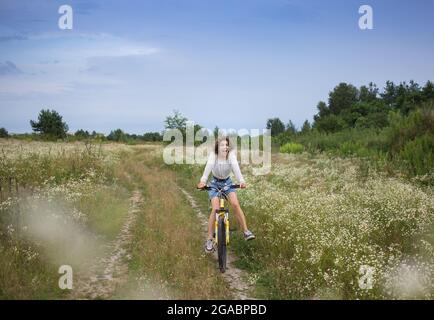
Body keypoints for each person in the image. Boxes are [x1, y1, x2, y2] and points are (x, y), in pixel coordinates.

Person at [197, 136, 256, 253]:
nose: (225, 147)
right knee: (215, 209)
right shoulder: (213, 156)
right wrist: (203, 181)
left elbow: (236, 169)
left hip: (227, 183)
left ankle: (245, 231)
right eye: (222, 145)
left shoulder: (231, 156)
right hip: (214, 184)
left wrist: (242, 181)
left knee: (235, 204)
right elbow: (208, 168)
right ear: (217, 147)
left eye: (226, 145)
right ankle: (209, 240)